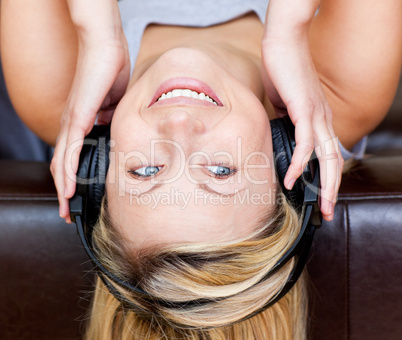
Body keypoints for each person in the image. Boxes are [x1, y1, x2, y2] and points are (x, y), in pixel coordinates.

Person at [1, 0, 401, 339]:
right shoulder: (341, 94)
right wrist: (288, 29)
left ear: (100, 161)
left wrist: (96, 30)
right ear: (285, 166)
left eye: (145, 170)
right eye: (221, 170)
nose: (179, 124)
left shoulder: (58, 95)